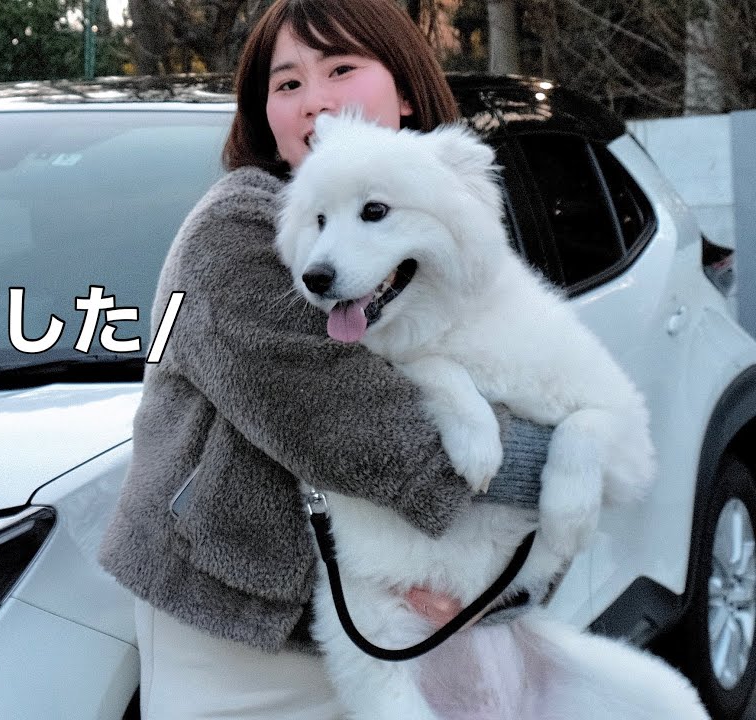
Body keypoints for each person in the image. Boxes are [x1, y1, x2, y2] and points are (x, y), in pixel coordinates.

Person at [97, 0, 552, 717]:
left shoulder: (437, 220)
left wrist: (504, 578)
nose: (315, 101)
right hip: (245, 635)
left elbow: (519, 379)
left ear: (405, 89)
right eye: (287, 84)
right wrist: (554, 465)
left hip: (408, 619)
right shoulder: (236, 230)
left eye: (340, 68)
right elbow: (355, 427)